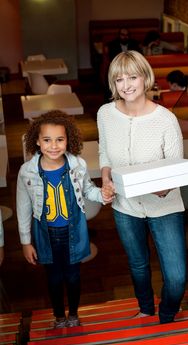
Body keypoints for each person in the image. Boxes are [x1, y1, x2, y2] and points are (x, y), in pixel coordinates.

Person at [97, 50, 186, 324]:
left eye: (132, 76)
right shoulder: (105, 113)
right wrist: (105, 178)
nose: (126, 85)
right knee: (138, 265)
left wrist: (164, 187)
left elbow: (175, 169)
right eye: (119, 79)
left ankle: (167, 314)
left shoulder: (166, 120)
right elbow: (105, 153)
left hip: (165, 207)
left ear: (145, 77)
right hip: (125, 207)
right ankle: (146, 310)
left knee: (176, 276)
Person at [16, 110, 114, 329]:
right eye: (47, 140)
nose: (54, 146)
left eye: (60, 139)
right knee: (53, 278)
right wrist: (25, 242)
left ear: (68, 140)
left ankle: (74, 314)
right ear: (37, 142)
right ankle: (59, 316)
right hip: (45, 234)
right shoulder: (27, 172)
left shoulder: (77, 165)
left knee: (73, 276)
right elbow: (23, 207)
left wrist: (103, 194)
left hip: (73, 232)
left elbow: (89, 190)